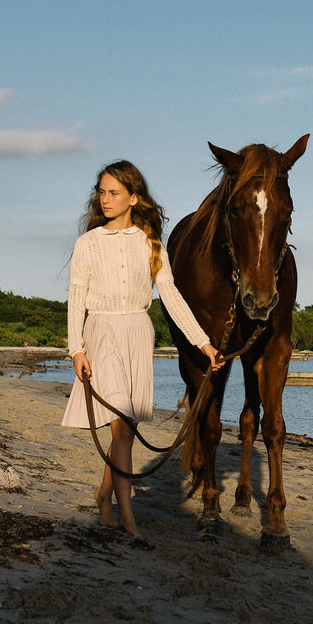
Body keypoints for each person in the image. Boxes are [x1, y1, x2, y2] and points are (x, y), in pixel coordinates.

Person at [61, 160, 220, 539]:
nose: (105, 199)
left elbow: (172, 296)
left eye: (114, 192)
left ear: (134, 197)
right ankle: (128, 519)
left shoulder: (150, 243)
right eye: (102, 192)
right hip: (101, 332)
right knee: (120, 425)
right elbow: (76, 297)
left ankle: (104, 495)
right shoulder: (87, 244)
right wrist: (76, 349)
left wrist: (203, 342)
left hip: (137, 333)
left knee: (125, 430)